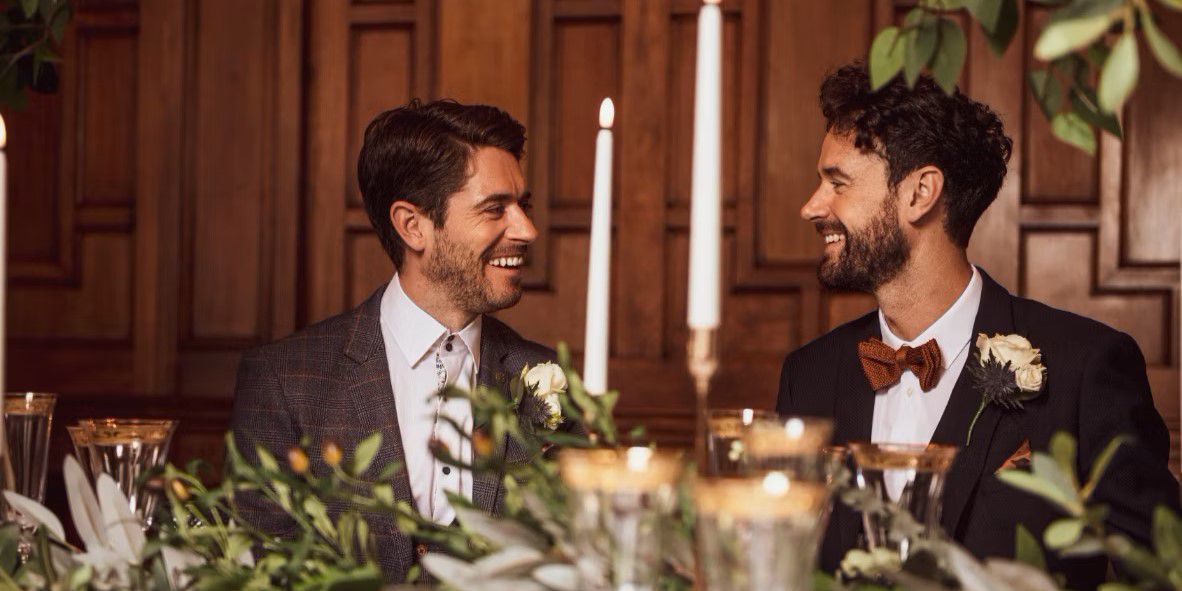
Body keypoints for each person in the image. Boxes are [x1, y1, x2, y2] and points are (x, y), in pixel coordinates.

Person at [776, 62, 1179, 589]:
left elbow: (1162, 576)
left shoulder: (1086, 368)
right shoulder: (808, 374)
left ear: (920, 193)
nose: (811, 206)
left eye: (837, 182)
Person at [231, 99, 554, 580]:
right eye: (495, 209)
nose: (526, 229)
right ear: (413, 226)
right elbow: (261, 573)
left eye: (522, 206)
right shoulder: (283, 382)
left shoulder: (546, 381)